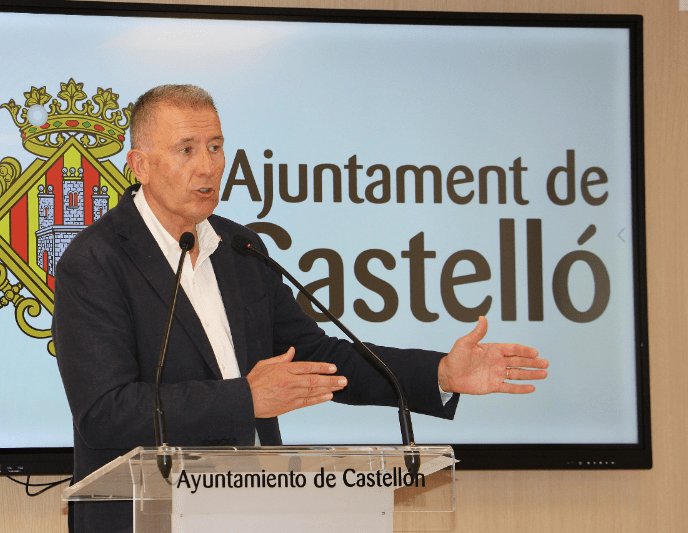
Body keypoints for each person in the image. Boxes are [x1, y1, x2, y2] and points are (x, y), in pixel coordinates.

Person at [53, 85, 548, 533]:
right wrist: (245, 398)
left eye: (216, 147)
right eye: (187, 149)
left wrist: (439, 373)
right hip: (142, 520)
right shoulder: (96, 261)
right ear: (139, 165)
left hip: (250, 513)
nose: (207, 166)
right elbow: (104, 412)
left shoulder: (241, 248)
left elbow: (318, 357)